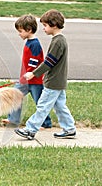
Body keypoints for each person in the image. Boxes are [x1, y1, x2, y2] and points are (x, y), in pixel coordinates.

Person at [15, 9, 76, 140]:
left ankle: (30, 130)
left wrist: (33, 74)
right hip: (58, 81)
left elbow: (49, 62)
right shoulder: (59, 40)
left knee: (43, 106)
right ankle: (70, 129)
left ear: (53, 25)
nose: (43, 29)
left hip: (53, 82)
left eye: (45, 26)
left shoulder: (58, 42)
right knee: (60, 106)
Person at [2, 14, 52, 128]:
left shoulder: (35, 44)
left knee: (40, 102)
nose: (19, 34)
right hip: (25, 80)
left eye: (20, 31)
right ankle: (13, 120)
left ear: (29, 30)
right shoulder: (29, 42)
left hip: (35, 80)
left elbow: (34, 62)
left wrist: (29, 73)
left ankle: (46, 122)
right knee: (15, 96)